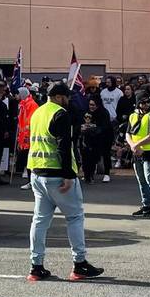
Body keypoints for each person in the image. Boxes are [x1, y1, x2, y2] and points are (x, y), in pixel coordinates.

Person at [25, 84, 104, 282]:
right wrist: (69, 174)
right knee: (75, 217)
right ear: (59, 97)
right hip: (58, 175)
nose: (68, 101)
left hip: (37, 172)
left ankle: (36, 267)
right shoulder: (60, 114)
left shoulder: (37, 112)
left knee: (40, 220)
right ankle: (79, 264)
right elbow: (63, 145)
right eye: (66, 97)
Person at [126, 92, 150, 220]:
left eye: (148, 102)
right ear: (138, 103)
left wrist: (137, 145)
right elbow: (128, 133)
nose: (146, 104)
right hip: (136, 151)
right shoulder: (133, 116)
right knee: (141, 181)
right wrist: (133, 146)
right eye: (143, 102)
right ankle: (146, 206)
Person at [78, 97, 113, 184]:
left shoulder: (104, 112)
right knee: (89, 156)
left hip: (104, 137)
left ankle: (107, 173)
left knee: (105, 154)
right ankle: (89, 175)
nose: (91, 107)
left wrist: (95, 128)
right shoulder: (87, 113)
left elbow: (105, 126)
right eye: (90, 105)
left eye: (93, 105)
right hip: (90, 138)